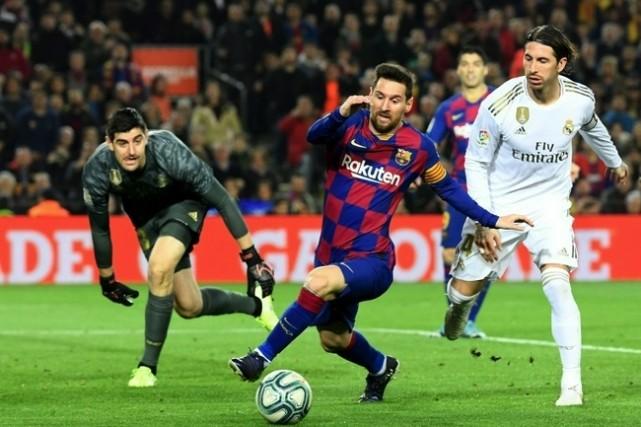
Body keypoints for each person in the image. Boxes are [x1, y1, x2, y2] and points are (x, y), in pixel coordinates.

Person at [229, 63, 531, 402]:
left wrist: (492, 219)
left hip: (373, 259)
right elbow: (314, 136)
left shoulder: (418, 147)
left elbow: (448, 188)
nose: (385, 106)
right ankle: (381, 366)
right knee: (333, 339)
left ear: (408, 105)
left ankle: (260, 358)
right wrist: (340, 112)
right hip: (330, 253)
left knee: (317, 282)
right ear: (370, 95)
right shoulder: (347, 126)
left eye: (395, 100)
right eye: (380, 96)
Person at [442, 25, 629, 407]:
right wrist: (486, 220)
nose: (532, 67)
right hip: (500, 205)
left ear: (561, 64)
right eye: (528, 58)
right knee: (461, 291)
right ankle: (459, 308)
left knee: (558, 285)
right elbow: (475, 162)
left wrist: (615, 161)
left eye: (542, 60)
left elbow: (592, 127)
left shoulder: (579, 99)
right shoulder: (499, 103)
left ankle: (572, 385)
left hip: (550, 205)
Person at [82, 108, 278, 388]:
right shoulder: (97, 169)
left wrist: (252, 258)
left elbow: (222, 200)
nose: (131, 151)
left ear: (146, 137)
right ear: (109, 143)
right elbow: (100, 228)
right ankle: (257, 306)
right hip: (146, 221)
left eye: (137, 140)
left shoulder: (169, 152)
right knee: (189, 305)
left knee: (158, 268)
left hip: (184, 205)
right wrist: (107, 279)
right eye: (122, 143)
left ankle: (147, 367)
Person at [426, 46, 493, 338]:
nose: (470, 69)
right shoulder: (449, 108)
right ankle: (453, 319)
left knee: (487, 254)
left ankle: (469, 321)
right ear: (458, 70)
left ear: (485, 70)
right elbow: (429, 145)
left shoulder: (499, 102)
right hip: (459, 191)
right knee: (449, 254)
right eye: (465, 64)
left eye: (476, 63)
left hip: (492, 192)